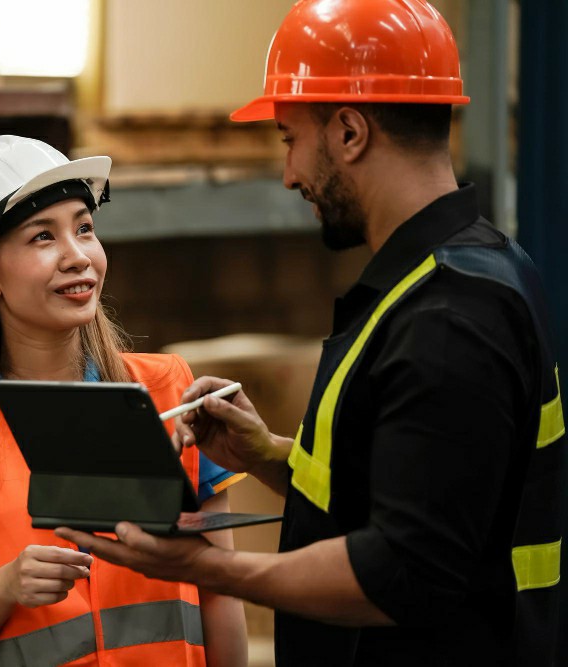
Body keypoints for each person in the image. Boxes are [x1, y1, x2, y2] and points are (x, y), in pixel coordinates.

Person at [58, 1, 565, 666]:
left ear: (350, 132)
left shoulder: (449, 316)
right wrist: (266, 453)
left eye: (289, 138)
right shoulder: (468, 271)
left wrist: (203, 566)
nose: (289, 174)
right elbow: (417, 486)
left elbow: (401, 570)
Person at [0, 135, 249, 666]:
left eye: (84, 228)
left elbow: (222, 593)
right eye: (42, 237)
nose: (78, 257)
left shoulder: (171, 393)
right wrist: (3, 587)